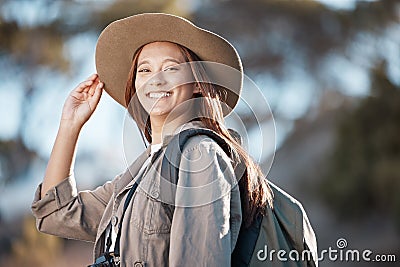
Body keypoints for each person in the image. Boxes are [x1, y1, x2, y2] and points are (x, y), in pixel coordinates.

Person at [31, 13, 273, 266]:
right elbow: (55, 214)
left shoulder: (200, 154)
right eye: (144, 69)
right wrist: (70, 125)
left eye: (171, 68)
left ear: (197, 84)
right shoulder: (136, 177)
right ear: (135, 85)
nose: (156, 79)